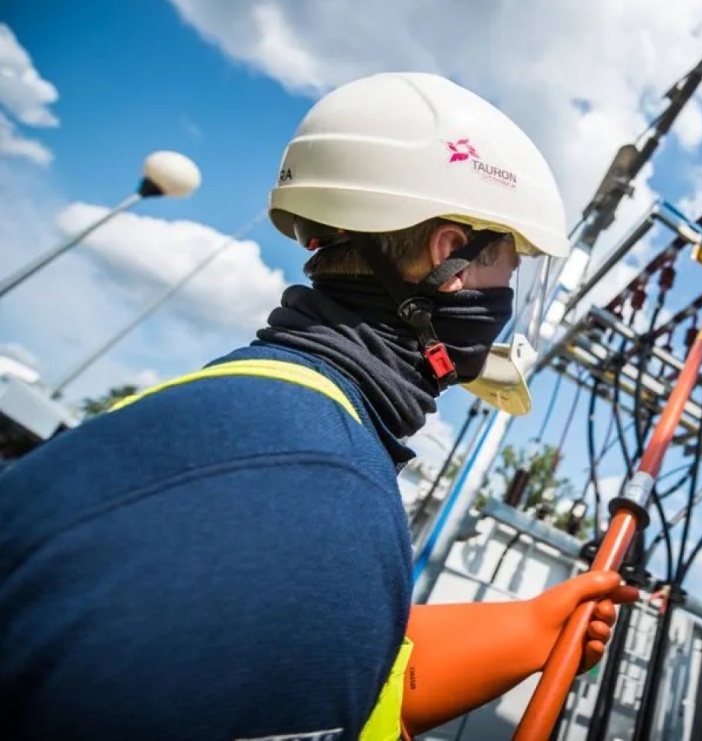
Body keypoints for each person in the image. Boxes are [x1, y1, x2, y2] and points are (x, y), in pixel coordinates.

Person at [0, 72, 638, 740]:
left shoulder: (257, 415)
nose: (507, 301)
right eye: (510, 267)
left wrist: (531, 628)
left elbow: (325, 664)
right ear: (450, 257)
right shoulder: (318, 492)